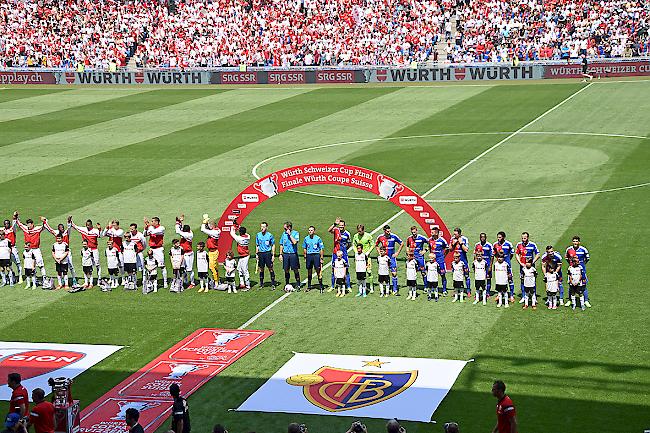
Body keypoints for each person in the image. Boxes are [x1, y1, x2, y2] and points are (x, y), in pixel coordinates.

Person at [42, 217, 76, 285]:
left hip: (67, 252)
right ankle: (63, 281)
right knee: (60, 267)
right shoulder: (57, 233)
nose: (62, 229)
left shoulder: (67, 232)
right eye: (60, 228)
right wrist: (45, 222)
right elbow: (49, 229)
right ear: (58, 229)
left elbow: (69, 228)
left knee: (71, 266)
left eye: (62, 227)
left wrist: (69, 221)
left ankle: (74, 279)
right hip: (59, 253)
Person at [14, 213, 46, 282]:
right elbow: (19, 224)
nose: (28, 226)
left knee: (40, 264)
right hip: (28, 250)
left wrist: (44, 221)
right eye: (27, 224)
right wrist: (16, 216)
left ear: (32, 224)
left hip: (36, 249)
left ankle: (44, 278)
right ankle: (33, 278)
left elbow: (44, 227)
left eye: (29, 224)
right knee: (29, 265)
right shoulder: (25, 228)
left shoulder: (37, 229)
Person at [375, 225, 403, 295]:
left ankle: (395, 289)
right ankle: (387, 288)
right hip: (384, 259)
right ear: (384, 231)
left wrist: (397, 253)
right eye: (387, 231)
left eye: (389, 231)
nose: (389, 232)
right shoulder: (380, 237)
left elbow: (402, 243)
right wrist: (379, 253)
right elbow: (376, 245)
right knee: (384, 274)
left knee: (394, 273)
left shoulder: (394, 236)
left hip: (392, 258)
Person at [565, 235, 591, 307]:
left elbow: (587, 258)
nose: (575, 242)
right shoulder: (569, 249)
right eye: (574, 241)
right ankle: (570, 300)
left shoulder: (583, 249)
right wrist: (571, 265)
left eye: (576, 241)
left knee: (584, 285)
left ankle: (586, 301)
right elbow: (566, 258)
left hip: (581, 270)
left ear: (579, 242)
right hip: (572, 271)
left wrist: (582, 265)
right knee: (571, 285)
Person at [515, 232, 539, 303]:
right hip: (522, 267)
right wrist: (520, 263)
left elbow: (538, 254)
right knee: (522, 280)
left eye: (524, 238)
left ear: (528, 237)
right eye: (522, 238)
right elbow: (516, 254)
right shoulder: (519, 245)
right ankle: (523, 296)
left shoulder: (532, 245)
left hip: (531, 267)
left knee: (532, 281)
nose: (523, 239)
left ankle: (533, 297)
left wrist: (532, 262)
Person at [328, 217, 351, 291]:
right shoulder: (335, 230)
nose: (341, 227)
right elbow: (329, 230)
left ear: (344, 226)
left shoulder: (347, 233)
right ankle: (332, 286)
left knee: (346, 269)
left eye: (342, 225)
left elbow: (349, 243)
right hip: (335, 252)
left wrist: (344, 250)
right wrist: (334, 224)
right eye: (340, 225)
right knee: (333, 269)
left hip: (343, 253)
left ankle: (348, 286)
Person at [144, 217, 167, 288]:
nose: (152, 223)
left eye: (153, 221)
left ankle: (165, 282)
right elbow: (144, 234)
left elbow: (153, 232)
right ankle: (152, 282)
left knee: (162, 266)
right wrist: (146, 228)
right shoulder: (151, 228)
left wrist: (148, 227)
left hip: (158, 249)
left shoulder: (161, 228)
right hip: (152, 249)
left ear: (157, 222)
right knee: (151, 266)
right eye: (151, 221)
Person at [352, 224, 374, 293]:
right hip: (359, 258)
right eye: (358, 231)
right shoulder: (355, 236)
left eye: (360, 231)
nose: (359, 233)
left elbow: (373, 244)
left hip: (367, 257)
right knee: (359, 272)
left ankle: (371, 287)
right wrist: (356, 252)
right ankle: (361, 288)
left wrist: (368, 252)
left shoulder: (368, 236)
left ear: (363, 230)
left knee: (369, 272)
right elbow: (353, 245)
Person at [493, 231, 514, 300]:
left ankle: (511, 295)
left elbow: (512, 253)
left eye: (500, 237)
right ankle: (499, 295)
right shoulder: (495, 244)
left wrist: (507, 260)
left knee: (510, 279)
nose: (498, 239)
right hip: (499, 265)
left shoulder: (508, 244)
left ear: (503, 237)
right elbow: (494, 253)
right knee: (499, 279)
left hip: (507, 265)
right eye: (498, 237)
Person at [279, 222, 301, 289]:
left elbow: (294, 242)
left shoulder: (295, 233)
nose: (284, 230)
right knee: (286, 269)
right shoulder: (283, 234)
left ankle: (298, 284)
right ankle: (287, 283)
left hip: (293, 254)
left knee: (295, 269)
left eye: (285, 228)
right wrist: (280, 254)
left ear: (289, 227)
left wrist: (289, 235)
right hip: (285, 254)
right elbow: (281, 244)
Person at [230, 221, 251, 291]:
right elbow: (242, 230)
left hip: (244, 257)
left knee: (245, 270)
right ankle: (242, 283)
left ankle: (248, 285)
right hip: (243, 256)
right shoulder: (248, 236)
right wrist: (237, 225)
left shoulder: (239, 239)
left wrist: (233, 226)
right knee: (239, 269)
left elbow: (232, 233)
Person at [427, 226, 448, 295]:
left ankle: (444, 290)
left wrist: (443, 256)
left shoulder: (442, 240)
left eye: (432, 232)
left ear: (436, 233)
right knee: (432, 274)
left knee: (442, 274)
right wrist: (431, 255)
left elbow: (447, 248)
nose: (431, 233)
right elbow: (429, 247)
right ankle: (433, 289)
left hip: (440, 260)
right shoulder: (430, 240)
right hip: (433, 261)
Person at [302, 226, 324, 292]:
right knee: (309, 271)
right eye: (309, 230)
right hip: (309, 256)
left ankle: (320, 286)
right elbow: (304, 248)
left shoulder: (318, 238)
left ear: (314, 231)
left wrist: (321, 258)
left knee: (318, 270)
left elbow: (321, 248)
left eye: (311, 230)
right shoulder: (306, 239)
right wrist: (305, 256)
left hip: (316, 255)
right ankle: (309, 286)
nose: (310, 231)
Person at [255, 222, 276, 289]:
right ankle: (261, 284)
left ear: (266, 227)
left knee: (270, 268)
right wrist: (257, 254)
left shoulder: (270, 235)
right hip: (261, 253)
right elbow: (257, 245)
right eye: (261, 226)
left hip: (267, 253)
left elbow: (273, 245)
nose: (262, 228)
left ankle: (273, 283)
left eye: (264, 227)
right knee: (261, 269)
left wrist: (273, 255)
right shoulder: (258, 235)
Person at [175, 216, 195, 288]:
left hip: (189, 254)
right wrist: (180, 221)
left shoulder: (188, 235)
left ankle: (192, 283)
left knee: (189, 270)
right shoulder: (187, 232)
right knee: (184, 269)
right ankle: (186, 281)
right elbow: (181, 229)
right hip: (184, 254)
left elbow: (178, 231)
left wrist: (177, 223)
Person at [200, 216, 221, 284]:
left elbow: (203, 230)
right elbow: (208, 229)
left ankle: (216, 281)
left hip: (213, 252)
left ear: (212, 226)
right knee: (215, 267)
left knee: (212, 267)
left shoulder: (214, 232)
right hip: (212, 251)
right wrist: (206, 223)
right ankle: (217, 279)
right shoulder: (216, 230)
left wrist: (204, 223)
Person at [449, 228, 470, 294]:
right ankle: (456, 290)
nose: (454, 235)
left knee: (466, 275)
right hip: (455, 261)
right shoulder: (453, 239)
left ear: (460, 234)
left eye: (456, 234)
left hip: (463, 260)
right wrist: (453, 244)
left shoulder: (464, 239)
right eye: (454, 234)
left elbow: (466, 250)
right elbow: (450, 249)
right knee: (455, 275)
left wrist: (461, 243)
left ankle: (468, 290)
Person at [2, 219, 22, 283]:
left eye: (7, 223)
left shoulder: (12, 229)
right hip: (5, 249)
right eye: (5, 224)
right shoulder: (2, 230)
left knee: (17, 263)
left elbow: (14, 224)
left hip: (13, 248)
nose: (6, 225)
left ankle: (20, 276)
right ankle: (12, 276)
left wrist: (15, 218)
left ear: (9, 224)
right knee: (9, 264)